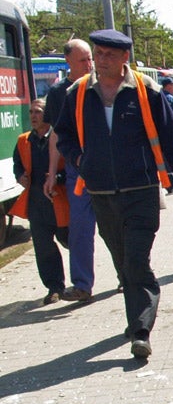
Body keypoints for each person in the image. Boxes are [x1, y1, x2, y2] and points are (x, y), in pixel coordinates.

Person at [54, 29, 173, 360]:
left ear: (124, 59)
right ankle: (136, 319)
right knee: (122, 262)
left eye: (109, 55)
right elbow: (64, 136)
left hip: (142, 190)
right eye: (98, 54)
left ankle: (141, 330)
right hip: (101, 192)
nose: (101, 61)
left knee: (135, 259)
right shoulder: (77, 93)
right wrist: (80, 160)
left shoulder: (146, 91)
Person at [42, 38, 97, 303]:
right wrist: (52, 173)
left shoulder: (102, 85)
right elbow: (56, 135)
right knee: (80, 229)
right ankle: (82, 285)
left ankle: (127, 277)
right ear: (68, 62)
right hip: (78, 169)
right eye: (83, 60)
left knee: (117, 225)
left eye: (90, 59)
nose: (89, 64)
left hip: (109, 165)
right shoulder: (58, 93)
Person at [12, 99, 70, 305]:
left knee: (72, 240)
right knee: (43, 247)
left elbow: (71, 166)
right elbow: (17, 164)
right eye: (31, 112)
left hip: (60, 200)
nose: (33, 116)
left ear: (48, 114)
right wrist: (20, 176)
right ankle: (55, 287)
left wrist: (59, 178)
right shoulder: (23, 141)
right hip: (36, 203)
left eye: (38, 112)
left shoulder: (59, 138)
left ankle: (86, 281)